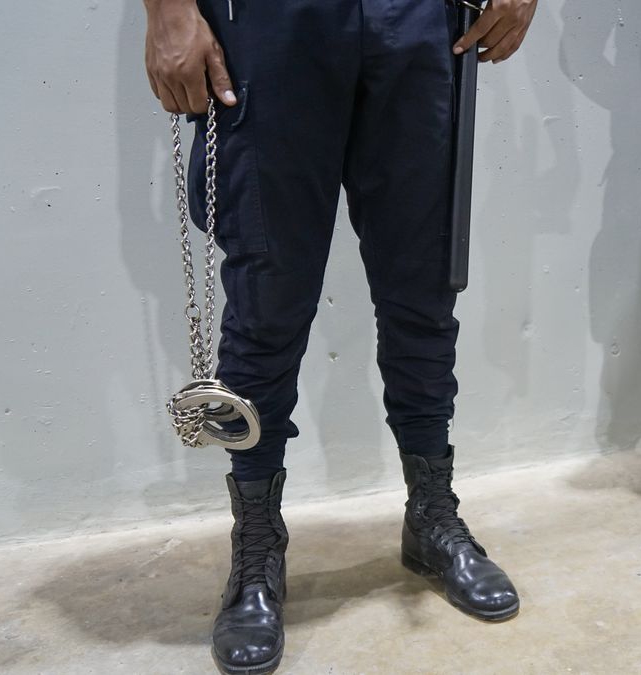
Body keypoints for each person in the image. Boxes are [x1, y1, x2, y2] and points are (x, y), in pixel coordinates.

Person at [142, 0, 537, 672]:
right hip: (269, 21)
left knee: (424, 294)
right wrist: (170, 9)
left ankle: (432, 514)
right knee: (265, 305)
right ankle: (258, 547)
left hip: (421, 18)